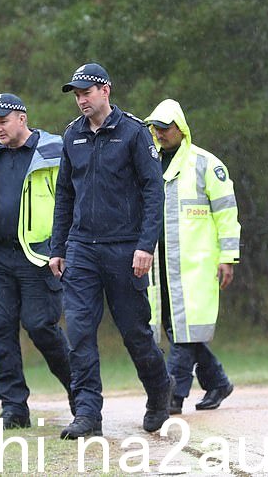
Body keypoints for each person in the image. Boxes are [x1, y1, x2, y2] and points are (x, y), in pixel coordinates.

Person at [50, 63, 173, 440]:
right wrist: (58, 247)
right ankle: (88, 413)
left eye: (86, 92)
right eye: (76, 95)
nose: (81, 100)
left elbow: (154, 192)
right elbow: (65, 195)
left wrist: (145, 245)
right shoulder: (72, 136)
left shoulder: (135, 133)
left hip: (125, 249)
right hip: (82, 249)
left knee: (134, 332)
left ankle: (158, 388)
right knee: (81, 332)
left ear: (106, 90)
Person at [0, 93, 73, 430]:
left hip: (37, 257)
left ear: (21, 118)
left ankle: (81, 393)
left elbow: (69, 200)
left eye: (3, 120)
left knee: (41, 326)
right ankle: (13, 410)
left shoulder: (52, 151)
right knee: (0, 331)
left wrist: (62, 248)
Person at [145, 99, 240, 415]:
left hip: (196, 267)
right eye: (155, 128)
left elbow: (227, 214)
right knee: (179, 330)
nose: (159, 133)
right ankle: (218, 382)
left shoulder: (205, 164)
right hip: (159, 266)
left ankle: (173, 394)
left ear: (180, 128)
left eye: (165, 128)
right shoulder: (148, 161)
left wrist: (228, 257)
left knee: (186, 332)